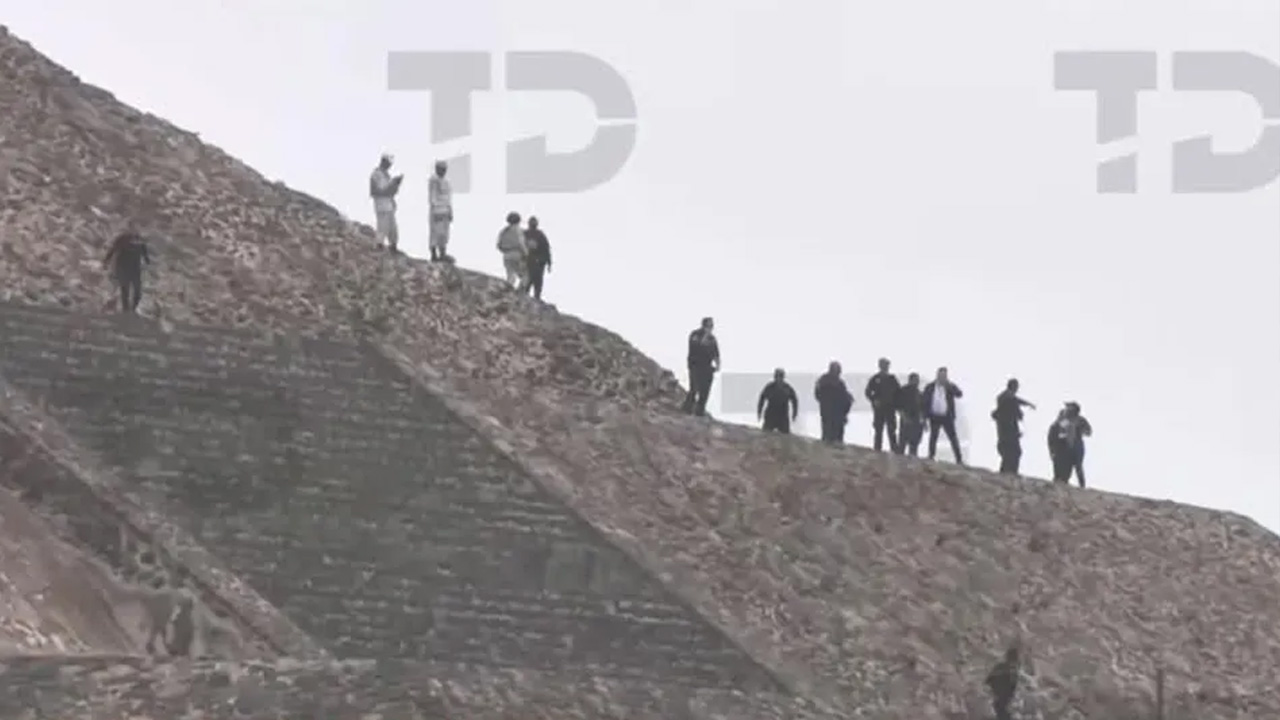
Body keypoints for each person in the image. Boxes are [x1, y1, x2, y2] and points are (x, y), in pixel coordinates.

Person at [991, 378, 1036, 474]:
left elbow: (1016, 401)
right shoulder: (1007, 398)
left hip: (1006, 430)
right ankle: (1010, 472)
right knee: (1013, 453)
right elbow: (1014, 402)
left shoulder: (1005, 397)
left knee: (1011, 453)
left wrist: (1028, 404)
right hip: (1008, 431)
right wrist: (1021, 412)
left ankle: (1007, 472)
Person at [921, 366, 964, 464]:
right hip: (934, 416)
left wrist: (949, 385)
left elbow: (959, 394)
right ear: (937, 375)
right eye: (940, 375)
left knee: (953, 438)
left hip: (947, 416)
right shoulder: (930, 387)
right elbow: (923, 402)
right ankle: (931, 456)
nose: (942, 377)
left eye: (944, 376)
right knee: (933, 437)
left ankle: (959, 459)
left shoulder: (949, 387)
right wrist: (924, 418)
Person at [103, 226, 151, 313]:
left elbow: (145, 255)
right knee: (125, 291)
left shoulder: (140, 244)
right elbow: (112, 251)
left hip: (134, 269)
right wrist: (106, 262)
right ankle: (126, 309)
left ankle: (132, 309)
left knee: (136, 291)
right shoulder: (121, 241)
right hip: (124, 269)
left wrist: (147, 262)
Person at [681, 317, 720, 416]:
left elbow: (716, 353)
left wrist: (718, 364)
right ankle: (687, 408)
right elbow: (695, 347)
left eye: (712, 326)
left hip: (707, 368)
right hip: (695, 366)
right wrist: (705, 337)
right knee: (694, 388)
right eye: (709, 326)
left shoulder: (712, 339)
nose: (711, 328)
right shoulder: (695, 334)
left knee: (705, 391)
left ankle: (700, 412)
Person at [1049, 402, 1092, 487]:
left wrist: (1079, 429)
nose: (1067, 409)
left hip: (1077, 445)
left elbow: (1088, 432)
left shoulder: (1080, 420)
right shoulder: (1062, 419)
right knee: (1064, 466)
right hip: (1064, 446)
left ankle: (1081, 486)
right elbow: (1055, 431)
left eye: (1069, 408)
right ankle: (1061, 483)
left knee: (1078, 466)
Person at [864, 357, 901, 452]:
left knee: (892, 430)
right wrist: (874, 400)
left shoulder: (892, 379)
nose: (885, 367)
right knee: (878, 430)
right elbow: (868, 392)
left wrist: (897, 406)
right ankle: (877, 449)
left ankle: (894, 449)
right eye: (883, 365)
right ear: (880, 366)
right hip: (879, 409)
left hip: (890, 408)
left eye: (887, 365)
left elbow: (899, 393)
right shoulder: (875, 378)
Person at [369, 153, 403, 253]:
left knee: (393, 228)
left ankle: (393, 246)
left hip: (388, 205)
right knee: (382, 227)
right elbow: (380, 190)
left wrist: (396, 185)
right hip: (381, 205)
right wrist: (393, 184)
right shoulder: (376, 174)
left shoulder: (386, 175)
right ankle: (379, 245)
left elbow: (390, 191)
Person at [814, 361, 853, 444]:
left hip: (837, 412)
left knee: (836, 435)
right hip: (829, 411)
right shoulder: (824, 380)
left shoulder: (839, 382)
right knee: (828, 434)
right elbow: (818, 394)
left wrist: (847, 404)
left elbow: (844, 397)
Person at [756, 368, 799, 433]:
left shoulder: (787, 388)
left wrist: (794, 414)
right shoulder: (769, 387)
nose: (779, 378)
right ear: (775, 377)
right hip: (770, 415)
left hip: (783, 416)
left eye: (781, 376)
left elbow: (794, 401)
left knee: (785, 437)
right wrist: (759, 412)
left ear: (783, 377)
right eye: (777, 376)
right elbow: (762, 399)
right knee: (765, 435)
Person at [427, 160, 453, 262]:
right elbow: (432, 197)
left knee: (444, 234)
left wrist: (450, 211)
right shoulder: (434, 180)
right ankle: (434, 255)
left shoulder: (446, 181)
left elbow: (448, 198)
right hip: (437, 211)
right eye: (441, 169)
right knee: (435, 233)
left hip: (445, 210)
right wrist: (435, 211)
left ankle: (443, 254)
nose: (443, 171)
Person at [523, 217, 552, 300]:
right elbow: (547, 249)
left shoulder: (528, 234)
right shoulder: (537, 234)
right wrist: (549, 262)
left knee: (534, 281)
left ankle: (534, 297)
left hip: (536, 262)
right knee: (532, 281)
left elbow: (546, 249)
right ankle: (531, 297)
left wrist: (549, 263)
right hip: (533, 262)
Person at [496, 212, 527, 289]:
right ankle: (520, 291)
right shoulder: (519, 230)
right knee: (525, 274)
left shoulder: (503, 231)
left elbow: (499, 245)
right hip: (517, 253)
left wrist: (505, 250)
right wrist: (526, 253)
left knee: (510, 275)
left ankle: (508, 289)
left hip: (506, 255)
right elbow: (521, 243)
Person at [897, 372, 925, 456]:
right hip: (906, 419)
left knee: (914, 445)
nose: (917, 382)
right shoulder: (903, 390)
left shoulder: (919, 393)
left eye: (918, 380)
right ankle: (900, 462)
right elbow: (898, 405)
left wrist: (923, 421)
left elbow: (922, 408)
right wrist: (903, 416)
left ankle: (912, 463)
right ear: (910, 380)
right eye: (915, 380)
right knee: (902, 444)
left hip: (916, 421)